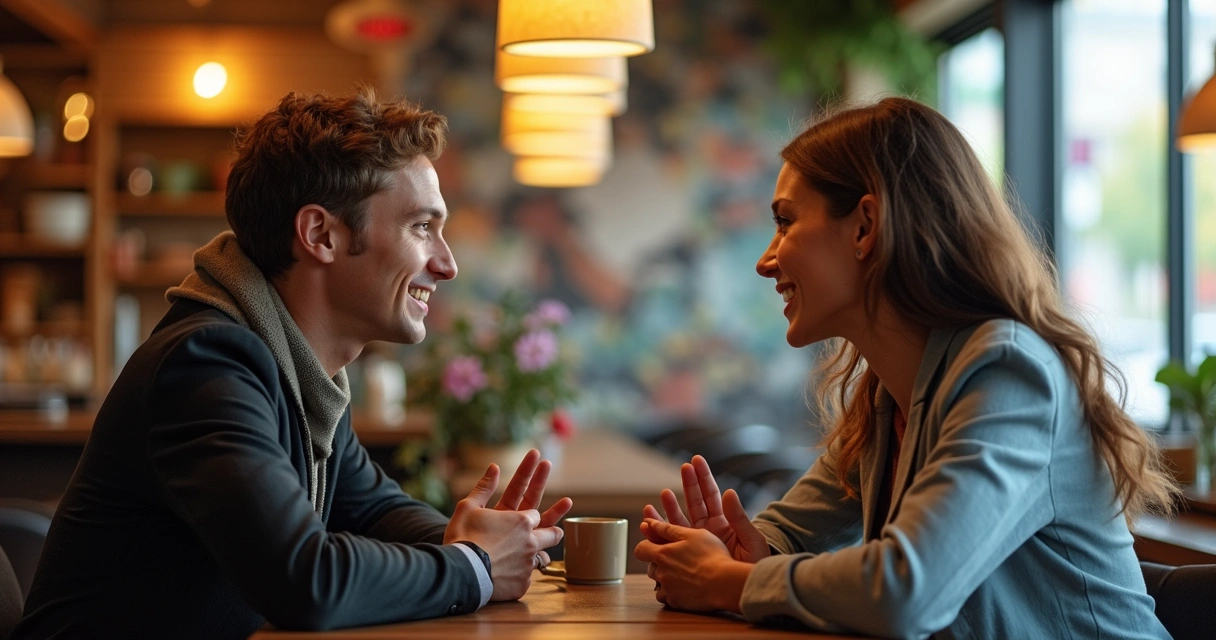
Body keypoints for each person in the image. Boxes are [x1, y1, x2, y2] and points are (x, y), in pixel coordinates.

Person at [13, 89, 572, 639]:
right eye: (422, 227)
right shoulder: (207, 365)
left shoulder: (302, 371)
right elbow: (306, 581)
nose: (446, 264)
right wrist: (474, 565)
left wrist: (498, 541)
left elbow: (374, 510)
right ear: (320, 235)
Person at [634, 97, 1178, 639]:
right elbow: (787, 534)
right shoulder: (889, 392)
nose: (766, 259)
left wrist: (728, 582)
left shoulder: (1009, 372)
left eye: (785, 222)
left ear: (865, 226)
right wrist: (743, 553)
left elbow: (906, 591)